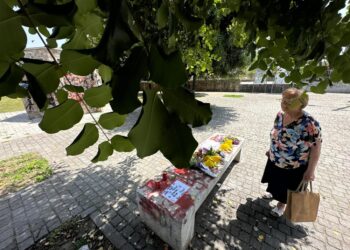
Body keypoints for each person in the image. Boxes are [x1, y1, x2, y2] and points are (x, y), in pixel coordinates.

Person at [261, 87, 322, 217]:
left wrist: (310, 171)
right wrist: (270, 149)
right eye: (283, 100)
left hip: (293, 165)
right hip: (275, 158)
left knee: (287, 187)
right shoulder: (280, 115)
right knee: (275, 180)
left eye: (290, 102)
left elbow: (316, 148)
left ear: (301, 104)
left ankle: (281, 206)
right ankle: (272, 193)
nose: (284, 104)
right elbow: (276, 134)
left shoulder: (309, 123)